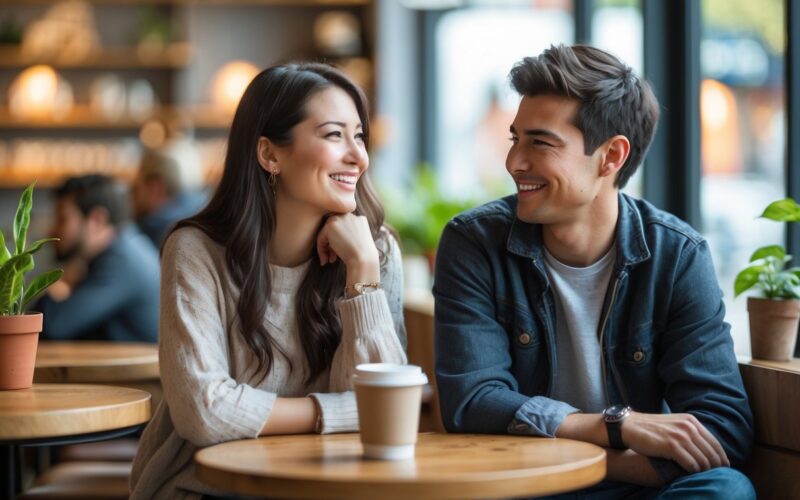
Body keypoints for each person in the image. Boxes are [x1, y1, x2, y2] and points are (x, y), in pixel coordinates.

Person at [433, 45, 755, 498]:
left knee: (724, 488)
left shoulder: (677, 255)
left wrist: (594, 461)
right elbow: (472, 403)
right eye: (515, 138)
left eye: (540, 142)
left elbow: (723, 431)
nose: (514, 162)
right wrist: (617, 427)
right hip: (522, 483)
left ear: (611, 156)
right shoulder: (475, 243)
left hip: (629, 483)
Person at [129, 62, 407, 499]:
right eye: (335, 135)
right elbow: (204, 412)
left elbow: (385, 412)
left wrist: (363, 277)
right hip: (205, 487)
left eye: (359, 135)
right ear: (269, 154)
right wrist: (338, 411)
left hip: (329, 488)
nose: (359, 156)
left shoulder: (374, 251)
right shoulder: (196, 251)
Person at [36, 174, 159, 343]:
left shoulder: (121, 261)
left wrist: (61, 283)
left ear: (97, 220)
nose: (51, 231)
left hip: (137, 370)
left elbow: (51, 326)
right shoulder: (125, 245)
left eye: (62, 218)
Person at [132, 135, 207, 248]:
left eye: (137, 188)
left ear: (156, 188)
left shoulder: (162, 230)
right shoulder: (199, 209)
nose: (134, 195)